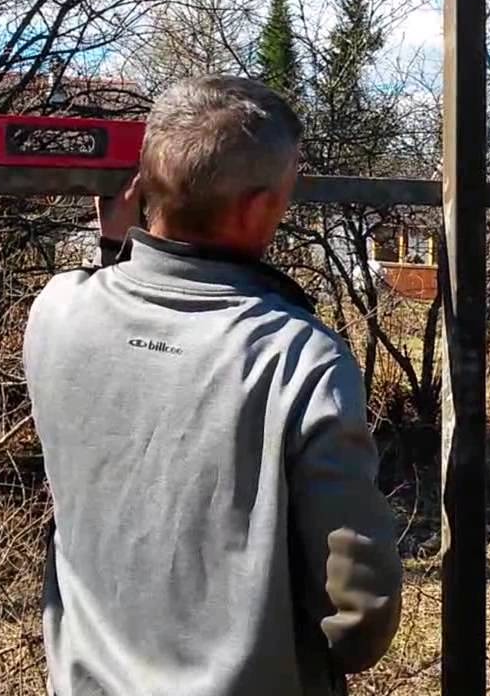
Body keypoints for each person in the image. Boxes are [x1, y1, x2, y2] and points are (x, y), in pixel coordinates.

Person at [24, 76, 402, 696]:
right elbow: (359, 614)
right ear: (257, 209)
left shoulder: (57, 310)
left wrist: (117, 247)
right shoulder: (300, 356)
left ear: (144, 184)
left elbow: (140, 345)